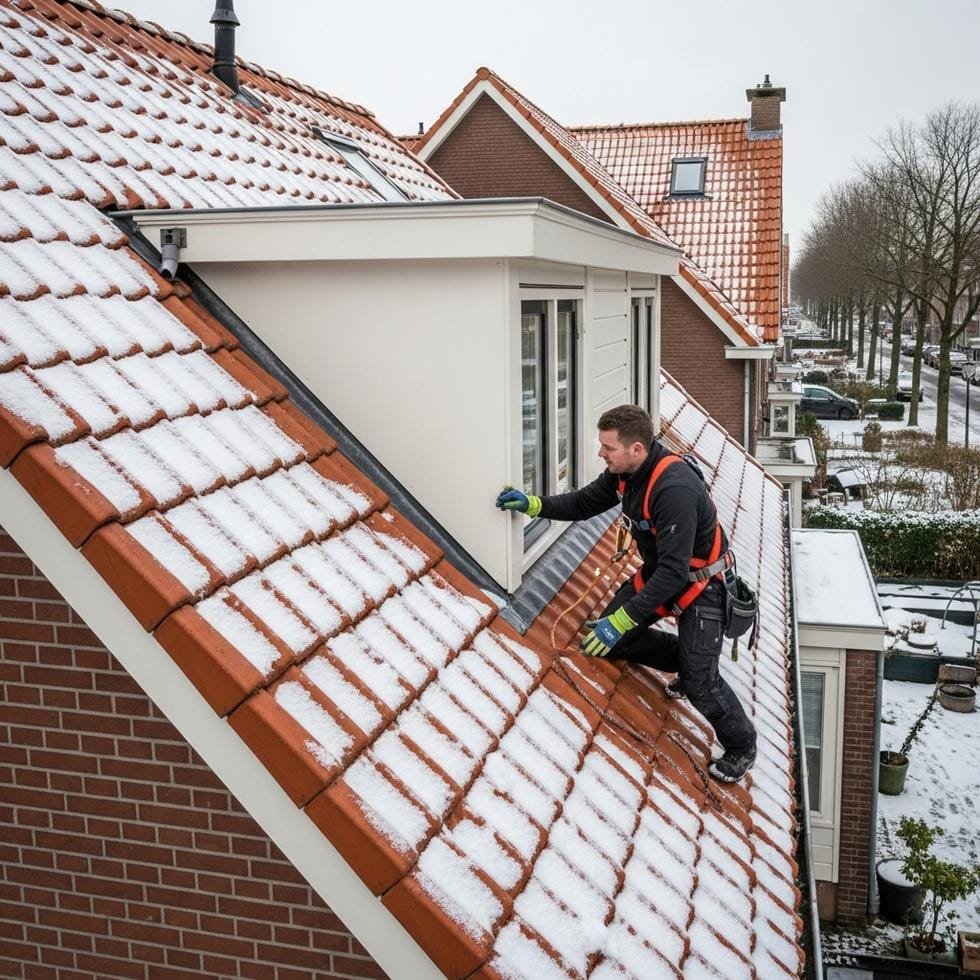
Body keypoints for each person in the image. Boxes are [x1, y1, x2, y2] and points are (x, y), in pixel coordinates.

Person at [496, 404, 757, 783]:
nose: (600, 454)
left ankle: (742, 744)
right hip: (660, 577)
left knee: (701, 684)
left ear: (637, 448)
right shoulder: (625, 476)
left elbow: (672, 572)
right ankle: (686, 656)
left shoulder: (674, 490)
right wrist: (534, 505)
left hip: (703, 588)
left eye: (607, 448)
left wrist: (622, 619)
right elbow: (584, 503)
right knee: (607, 641)